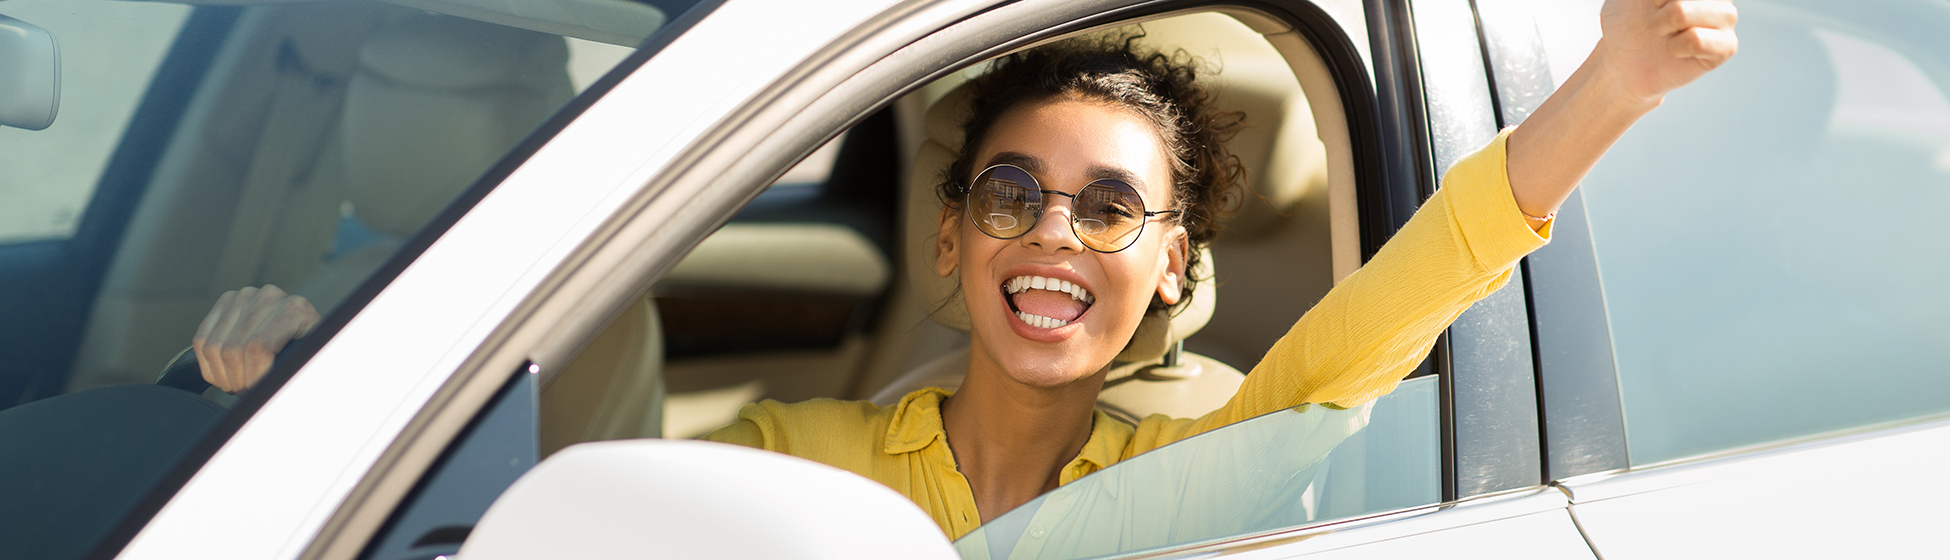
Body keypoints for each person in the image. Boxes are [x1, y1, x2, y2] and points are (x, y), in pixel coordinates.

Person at [189, 0, 1737, 540]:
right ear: (952, 241)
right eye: (1010, 195)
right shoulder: (801, 462)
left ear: (1173, 268)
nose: (1051, 232)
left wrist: (1605, 87)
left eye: (1107, 211)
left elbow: (1388, 313)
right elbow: (552, 485)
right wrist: (306, 377)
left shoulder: (1197, 469)